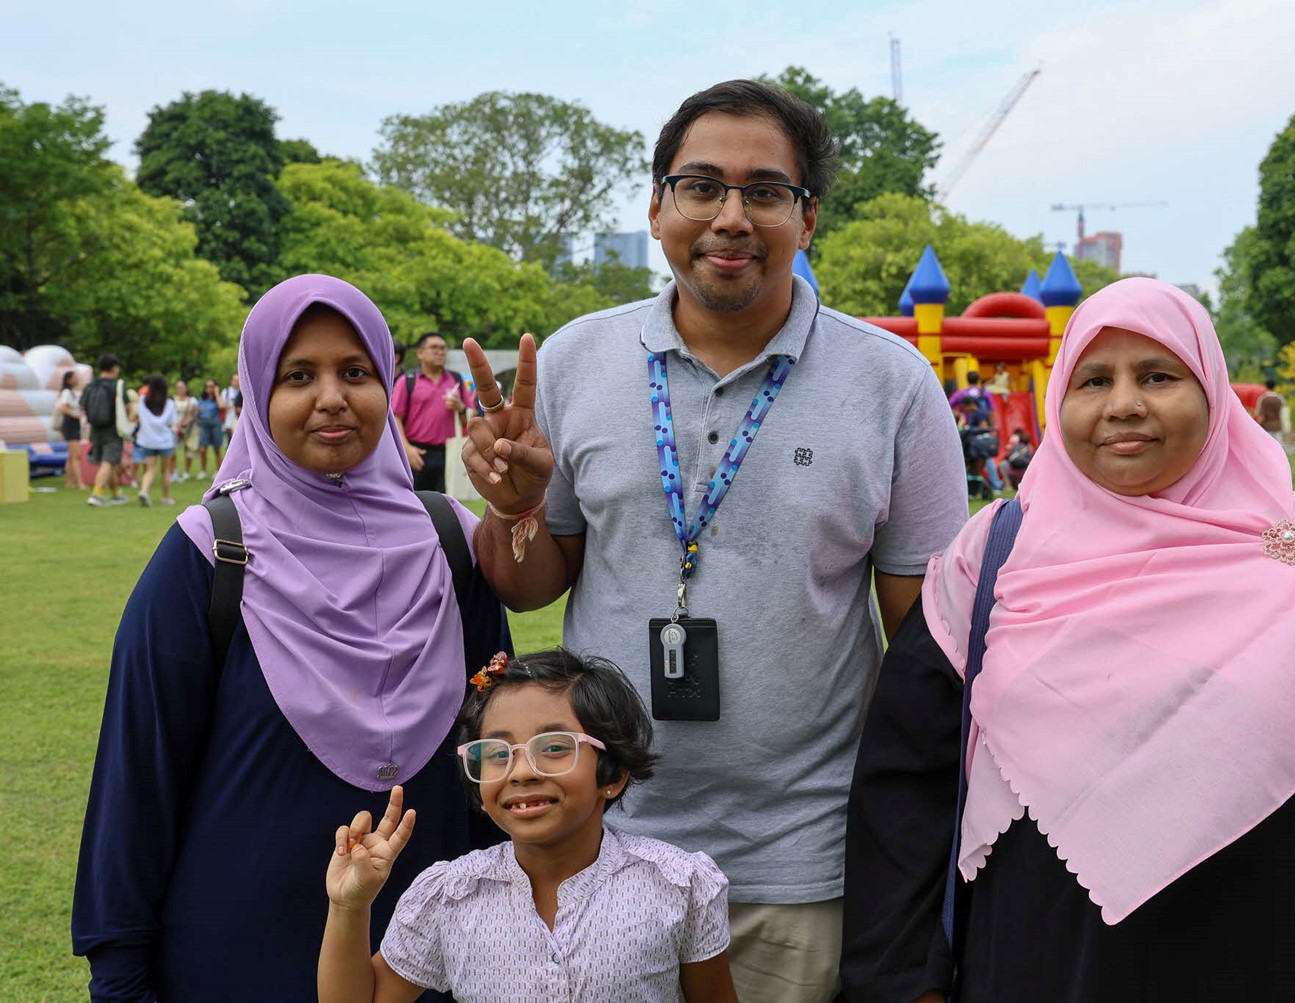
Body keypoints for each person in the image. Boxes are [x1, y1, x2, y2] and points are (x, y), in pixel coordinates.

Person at [456, 79, 969, 1002]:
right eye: (701, 186)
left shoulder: (892, 386)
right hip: (597, 843)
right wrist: (512, 510)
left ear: (807, 219)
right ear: (657, 207)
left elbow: (928, 655)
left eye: (765, 191)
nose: (731, 215)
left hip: (799, 861)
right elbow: (527, 586)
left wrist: (922, 864)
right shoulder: (577, 361)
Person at [841, 278, 1295, 1002]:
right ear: (1061, 401)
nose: (1124, 403)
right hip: (1041, 966)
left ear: (1212, 393)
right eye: (1094, 379)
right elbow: (903, 794)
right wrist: (905, 986)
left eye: (1158, 375)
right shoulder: (984, 566)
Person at [73, 274, 512, 1002]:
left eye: (356, 371)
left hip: (439, 956)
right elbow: (136, 777)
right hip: (238, 954)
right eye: (298, 375)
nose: (332, 396)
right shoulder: (207, 555)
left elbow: (494, 757)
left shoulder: (450, 545)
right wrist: (119, 974)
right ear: (255, 394)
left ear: (387, 382)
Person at [318, 649, 736, 1002]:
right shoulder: (448, 897)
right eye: (497, 753)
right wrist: (348, 907)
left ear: (612, 773)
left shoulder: (678, 885)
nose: (521, 772)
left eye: (554, 747)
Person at [392, 331, 475, 492]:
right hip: (417, 452)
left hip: (448, 452)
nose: (440, 352)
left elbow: (471, 421)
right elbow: (395, 419)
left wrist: (460, 408)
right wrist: (406, 449)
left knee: (445, 505)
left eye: (443, 348)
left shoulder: (455, 379)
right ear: (420, 353)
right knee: (415, 504)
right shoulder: (408, 380)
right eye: (434, 348)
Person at [83, 353, 128, 507]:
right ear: (114, 368)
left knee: (109, 463)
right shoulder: (117, 386)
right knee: (108, 463)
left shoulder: (90, 386)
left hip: (95, 431)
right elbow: (127, 408)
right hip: (113, 432)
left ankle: (115, 494)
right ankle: (96, 494)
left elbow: (83, 406)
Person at [131, 373, 177, 507]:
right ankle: (166, 497)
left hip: (147, 440)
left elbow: (136, 417)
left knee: (150, 469)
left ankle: (144, 490)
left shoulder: (142, 401)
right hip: (165, 441)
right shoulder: (169, 403)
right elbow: (173, 422)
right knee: (165, 470)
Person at [54, 369, 85, 489]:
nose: (77, 380)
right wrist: (75, 415)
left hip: (72, 424)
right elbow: (63, 408)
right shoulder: (67, 392)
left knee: (71, 456)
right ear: (68, 380)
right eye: (74, 377)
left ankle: (69, 481)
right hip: (70, 424)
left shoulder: (70, 392)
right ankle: (80, 483)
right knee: (76, 456)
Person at [194, 377, 227, 479]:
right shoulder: (201, 399)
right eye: (207, 386)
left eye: (211, 386)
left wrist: (216, 393)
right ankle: (203, 471)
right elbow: (198, 412)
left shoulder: (218, 398)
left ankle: (218, 471)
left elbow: (222, 406)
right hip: (204, 424)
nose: (209, 388)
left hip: (215, 424)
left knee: (216, 449)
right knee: (203, 449)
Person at [170, 378, 199, 482]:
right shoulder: (172, 400)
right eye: (178, 387)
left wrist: (185, 422)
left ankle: (186, 472)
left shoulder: (192, 400)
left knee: (188, 449)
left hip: (188, 428)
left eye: (181, 387)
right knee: (172, 451)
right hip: (174, 428)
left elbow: (195, 415)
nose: (180, 389)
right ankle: (173, 472)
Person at [224, 371, 243, 439]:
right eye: (235, 380)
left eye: (238, 380)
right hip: (230, 420)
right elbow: (221, 405)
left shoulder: (244, 391)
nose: (236, 382)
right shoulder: (226, 392)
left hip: (241, 421)